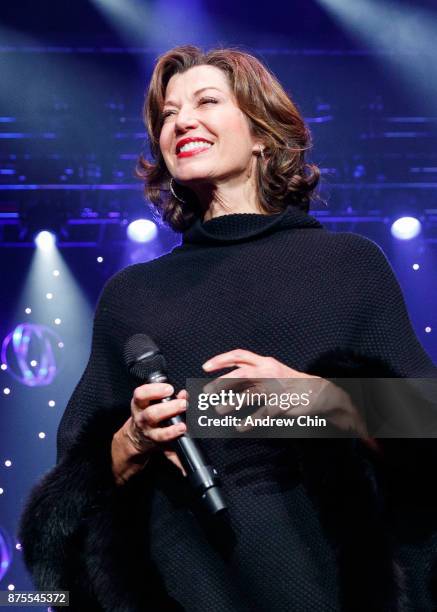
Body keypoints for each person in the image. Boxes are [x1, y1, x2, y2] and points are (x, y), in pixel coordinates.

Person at [19, 45, 437, 612]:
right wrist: (129, 441)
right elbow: (67, 504)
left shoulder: (347, 265)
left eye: (207, 102)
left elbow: (426, 424)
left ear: (262, 132)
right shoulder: (132, 296)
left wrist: (320, 400)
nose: (182, 121)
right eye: (168, 114)